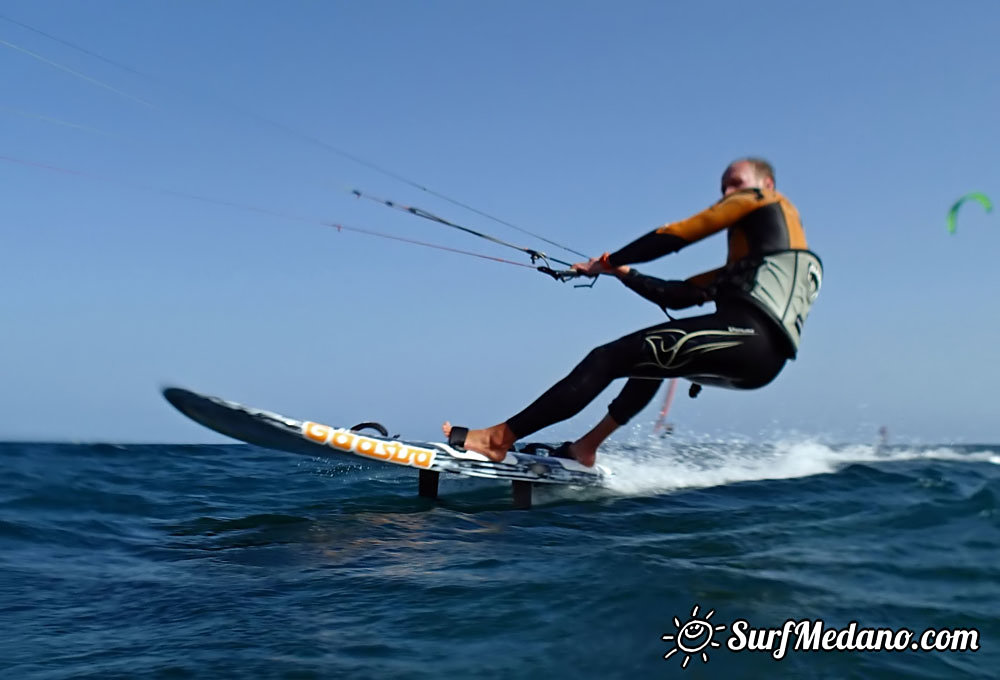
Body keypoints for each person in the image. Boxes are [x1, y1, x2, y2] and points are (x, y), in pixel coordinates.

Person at [443, 158, 822, 466]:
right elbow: (680, 295)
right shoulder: (759, 266)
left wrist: (611, 258)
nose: (727, 193)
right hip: (759, 358)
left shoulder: (768, 201)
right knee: (652, 358)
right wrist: (622, 272)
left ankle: (498, 439)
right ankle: (586, 448)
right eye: (723, 187)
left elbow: (680, 233)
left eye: (735, 183)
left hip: (750, 336)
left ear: (765, 185)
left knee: (607, 358)